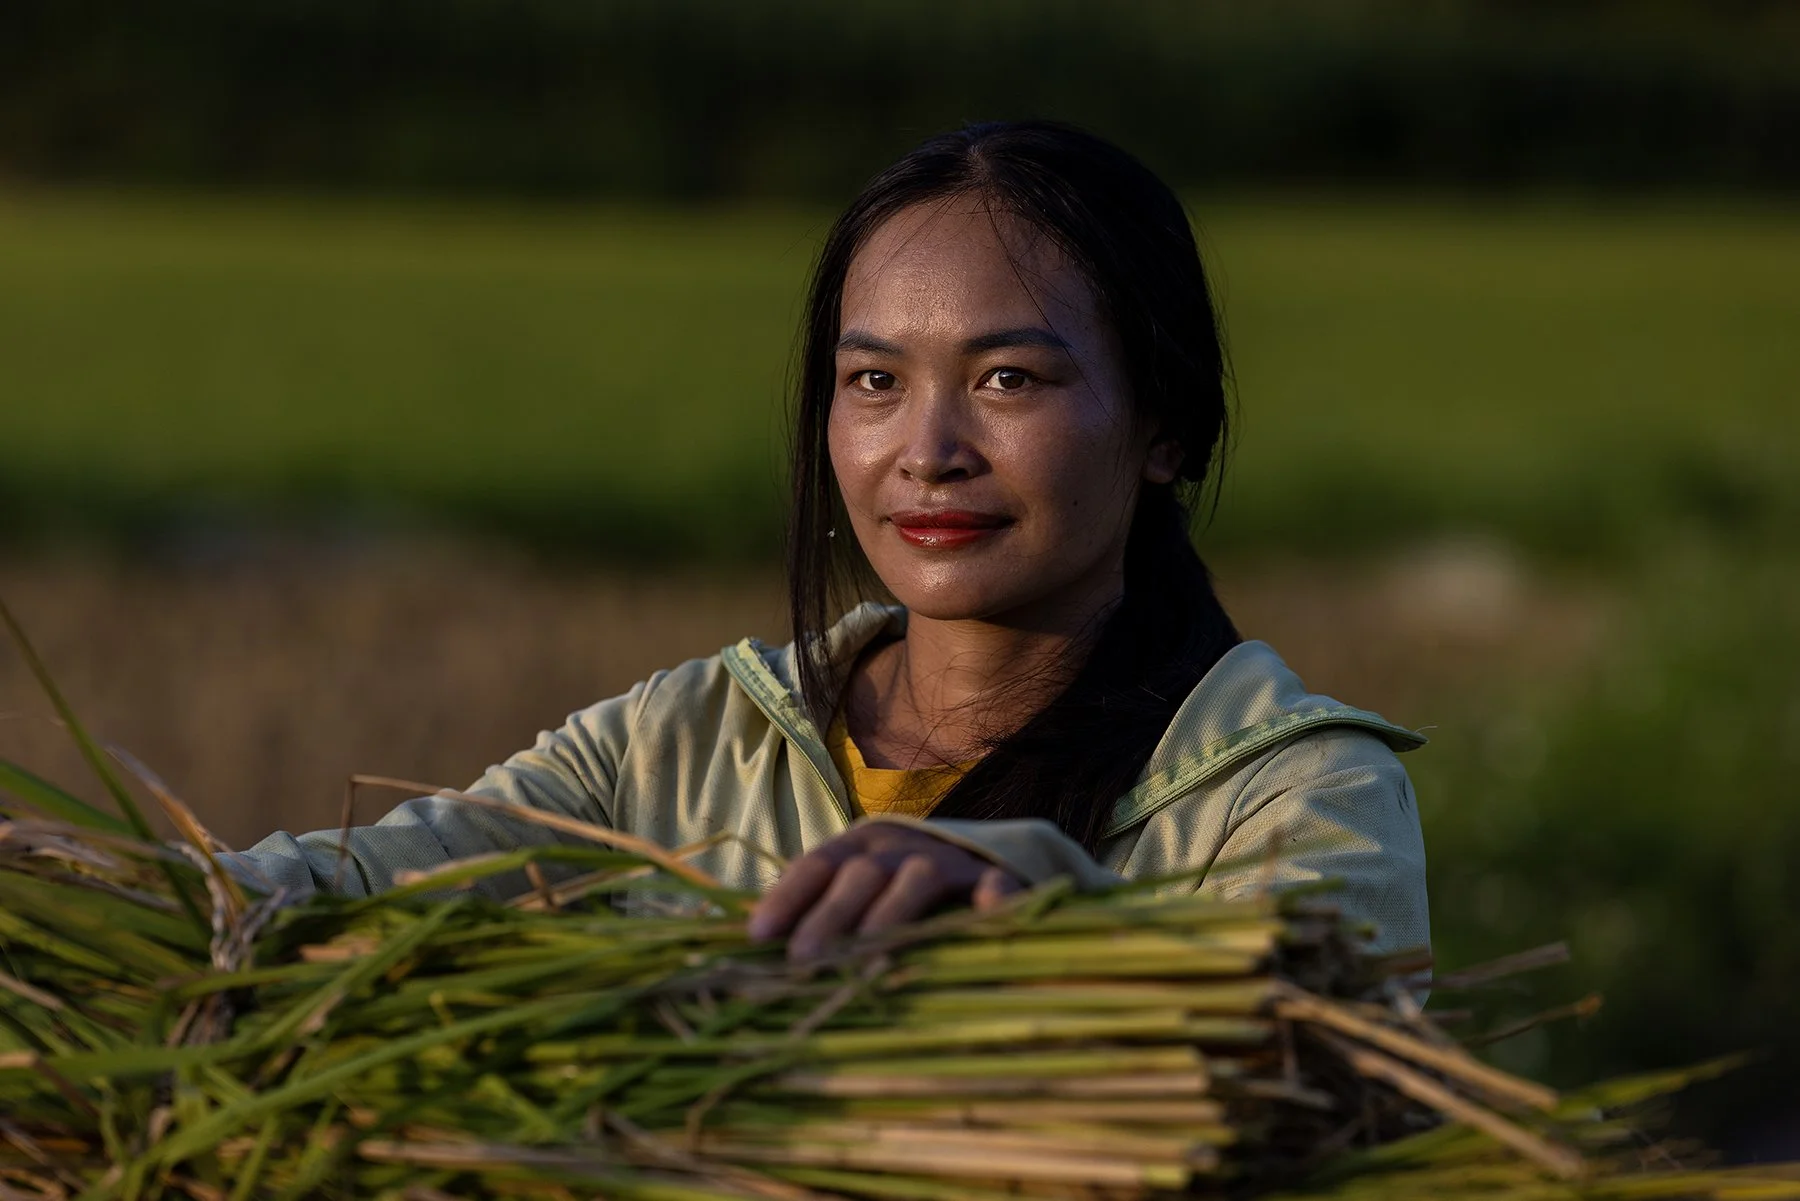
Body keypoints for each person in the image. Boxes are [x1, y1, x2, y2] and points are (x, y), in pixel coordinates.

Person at [228, 120, 1428, 962]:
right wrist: (118, 891)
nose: (929, 449)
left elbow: (1321, 1072)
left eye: (1009, 377)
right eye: (873, 381)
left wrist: (1052, 906)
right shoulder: (686, 744)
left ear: (1164, 427)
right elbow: (359, 882)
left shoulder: (1291, 794)